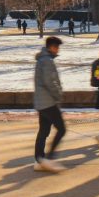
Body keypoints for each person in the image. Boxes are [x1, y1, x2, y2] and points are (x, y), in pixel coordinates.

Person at [33, 36, 66, 172]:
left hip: (42, 102)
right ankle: (49, 158)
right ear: (51, 47)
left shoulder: (42, 59)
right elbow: (49, 82)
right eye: (57, 47)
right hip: (49, 102)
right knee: (62, 129)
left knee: (44, 131)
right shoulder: (47, 61)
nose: (58, 50)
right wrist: (58, 94)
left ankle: (40, 159)